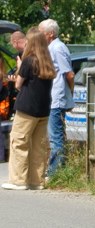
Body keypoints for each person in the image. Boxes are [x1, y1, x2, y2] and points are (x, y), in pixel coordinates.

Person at [3, 28, 56, 190]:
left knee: (19, 141)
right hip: (43, 109)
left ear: (31, 42)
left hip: (27, 108)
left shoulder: (28, 61)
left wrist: (18, 70)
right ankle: (37, 181)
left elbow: (19, 85)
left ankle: (18, 180)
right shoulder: (47, 61)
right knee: (39, 145)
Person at [39, 18, 75, 177]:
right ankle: (58, 170)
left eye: (41, 33)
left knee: (55, 137)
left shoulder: (57, 48)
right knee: (55, 136)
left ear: (50, 33)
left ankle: (55, 173)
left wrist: (70, 95)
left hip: (57, 97)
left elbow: (69, 73)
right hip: (53, 97)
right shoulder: (51, 48)